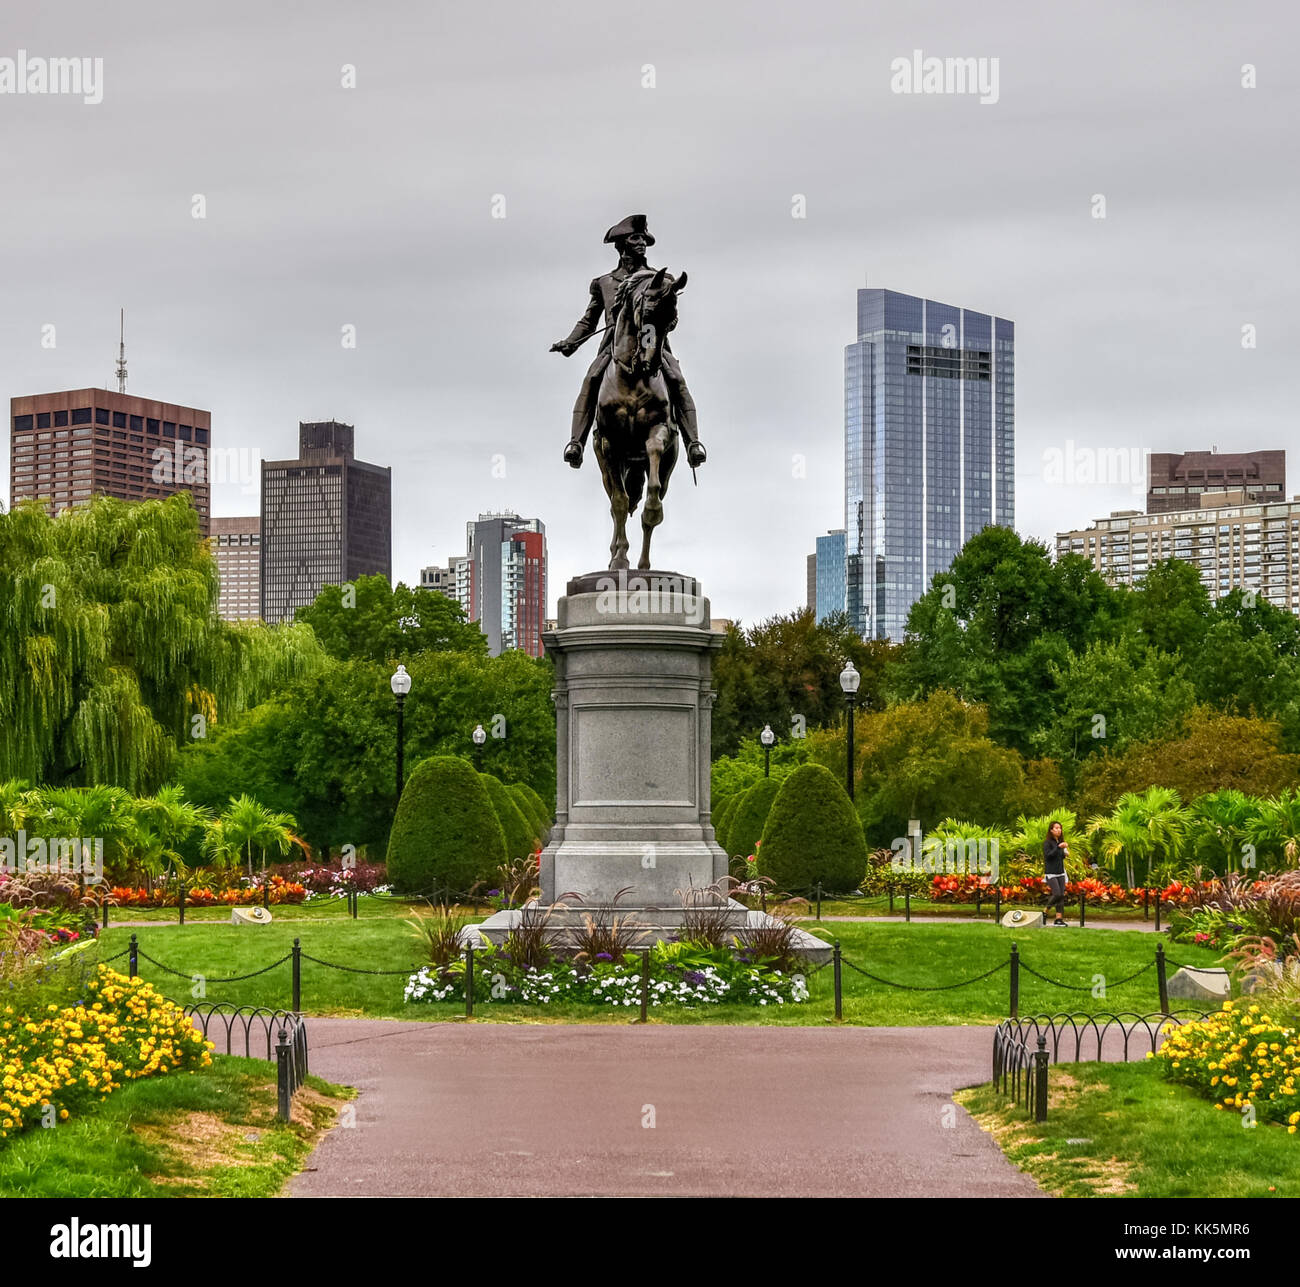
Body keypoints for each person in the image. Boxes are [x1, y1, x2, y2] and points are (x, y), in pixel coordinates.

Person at [551, 213, 706, 470]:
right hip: (614, 346)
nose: (642, 243)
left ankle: (694, 443)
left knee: (677, 379)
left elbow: (671, 317)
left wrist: (665, 323)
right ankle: (575, 443)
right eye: (636, 238)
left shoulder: (661, 280)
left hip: (652, 342)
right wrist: (571, 342)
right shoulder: (604, 283)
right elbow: (589, 320)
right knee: (591, 378)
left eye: (644, 238)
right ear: (622, 244)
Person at [1043, 820, 1069, 926]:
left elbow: (1060, 857)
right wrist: (1058, 848)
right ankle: (1045, 911)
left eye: (1060, 828)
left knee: (1061, 895)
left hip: (1061, 872)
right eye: (1056, 828)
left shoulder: (1060, 842)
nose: (1059, 830)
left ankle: (1059, 919)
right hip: (1051, 872)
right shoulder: (1047, 843)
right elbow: (1048, 855)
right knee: (1057, 893)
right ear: (1051, 830)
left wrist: (1064, 852)